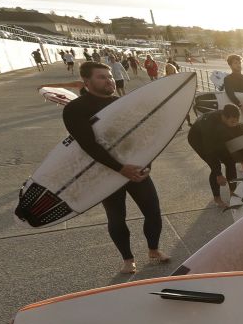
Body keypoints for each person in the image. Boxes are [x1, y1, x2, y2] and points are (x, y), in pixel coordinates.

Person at [62, 62, 170, 274]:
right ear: (87, 81)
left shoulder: (122, 103)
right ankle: (128, 259)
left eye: (110, 76)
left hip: (135, 168)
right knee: (116, 216)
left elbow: (143, 138)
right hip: (105, 171)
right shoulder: (75, 109)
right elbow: (88, 144)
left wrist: (147, 165)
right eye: (101, 77)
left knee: (153, 212)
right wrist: (119, 168)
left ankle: (154, 250)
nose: (109, 80)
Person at [187, 104, 241, 207]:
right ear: (224, 117)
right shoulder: (209, 124)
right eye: (232, 122)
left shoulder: (227, 115)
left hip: (216, 137)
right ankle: (217, 198)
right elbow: (209, 151)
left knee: (230, 161)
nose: (235, 124)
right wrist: (218, 174)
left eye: (236, 121)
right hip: (198, 140)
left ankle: (233, 192)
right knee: (215, 166)